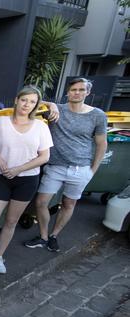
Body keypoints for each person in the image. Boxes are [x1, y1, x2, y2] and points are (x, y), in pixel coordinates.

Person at [0, 86, 53, 274]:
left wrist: (19, 169)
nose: (27, 104)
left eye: (32, 102)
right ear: (17, 100)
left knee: (11, 222)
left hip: (27, 180)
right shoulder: (1, 122)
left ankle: (0, 256)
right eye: (24, 99)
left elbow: (44, 157)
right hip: (1, 178)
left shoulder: (41, 127)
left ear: (36, 105)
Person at [24, 78, 108, 252]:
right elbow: (31, 100)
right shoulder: (56, 110)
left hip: (81, 169)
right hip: (55, 167)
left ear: (87, 93)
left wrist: (93, 170)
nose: (76, 92)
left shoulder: (97, 115)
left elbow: (102, 144)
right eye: (73, 89)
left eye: (81, 90)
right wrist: (52, 104)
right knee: (41, 202)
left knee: (68, 204)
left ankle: (54, 236)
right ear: (68, 92)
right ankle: (43, 236)